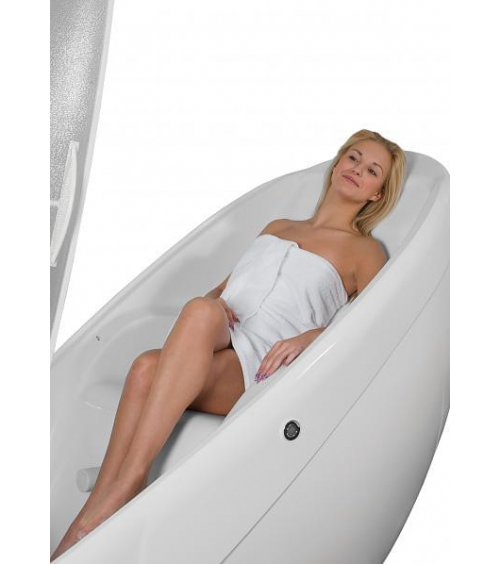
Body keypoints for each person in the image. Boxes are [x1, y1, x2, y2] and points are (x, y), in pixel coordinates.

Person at [50, 129, 406, 560]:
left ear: (376, 194)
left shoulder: (365, 252)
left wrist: (311, 337)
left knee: (152, 363)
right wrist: (211, 307)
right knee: (184, 326)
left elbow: (371, 325)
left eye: (372, 171)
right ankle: (106, 500)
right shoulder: (278, 228)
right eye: (354, 157)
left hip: (261, 364)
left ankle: (122, 487)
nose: (357, 170)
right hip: (226, 333)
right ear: (337, 163)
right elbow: (224, 290)